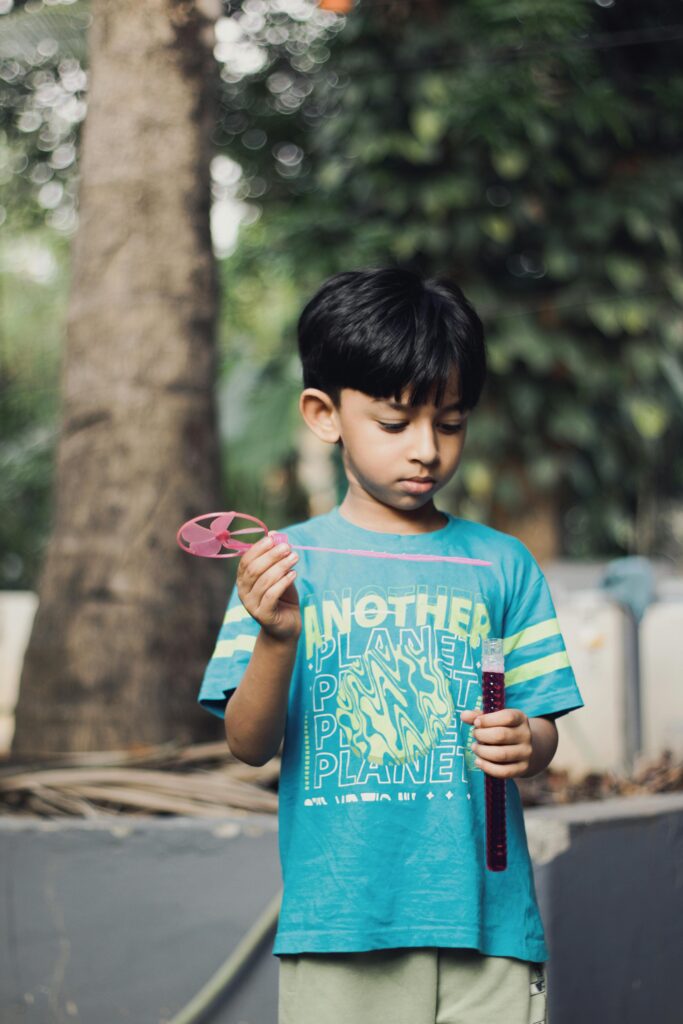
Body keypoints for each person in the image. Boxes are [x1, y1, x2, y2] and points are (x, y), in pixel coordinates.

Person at [197, 266, 584, 1024]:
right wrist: (277, 640)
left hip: (487, 927)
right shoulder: (279, 565)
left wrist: (525, 739)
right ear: (323, 414)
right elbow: (247, 744)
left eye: (449, 422)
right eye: (394, 421)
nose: (425, 451)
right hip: (341, 927)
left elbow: (540, 733)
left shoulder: (500, 565)